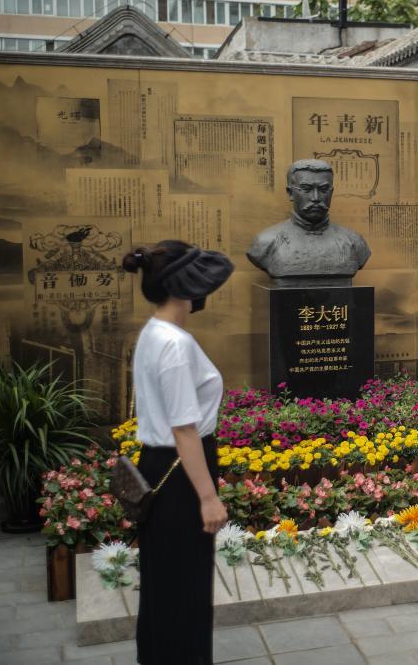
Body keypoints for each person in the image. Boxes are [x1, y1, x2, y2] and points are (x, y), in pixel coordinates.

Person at [122, 240, 234, 665]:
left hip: (159, 464)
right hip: (180, 471)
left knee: (164, 579)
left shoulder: (154, 332)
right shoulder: (174, 344)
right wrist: (208, 497)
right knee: (185, 584)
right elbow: (184, 428)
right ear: (184, 286)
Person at [246, 159, 371, 285]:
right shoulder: (266, 241)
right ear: (290, 193)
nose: (316, 198)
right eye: (306, 189)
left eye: (323, 189)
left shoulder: (354, 241)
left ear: (331, 192)